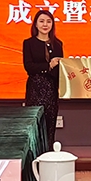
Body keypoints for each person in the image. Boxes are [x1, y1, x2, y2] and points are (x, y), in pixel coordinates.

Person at [22, 10, 64, 149]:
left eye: (48, 21)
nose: (45, 24)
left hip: (51, 89)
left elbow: (61, 70)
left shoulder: (58, 44)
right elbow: (29, 67)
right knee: (35, 124)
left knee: (50, 124)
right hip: (35, 88)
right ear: (35, 24)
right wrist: (48, 66)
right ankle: (34, 154)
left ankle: (48, 153)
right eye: (41, 21)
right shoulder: (28, 43)